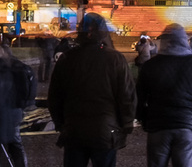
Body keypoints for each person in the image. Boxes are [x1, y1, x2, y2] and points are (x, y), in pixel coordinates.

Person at [47, 12, 136, 167]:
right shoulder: (115, 59)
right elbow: (126, 95)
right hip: (105, 129)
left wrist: (61, 123)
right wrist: (127, 123)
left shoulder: (67, 59)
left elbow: (55, 96)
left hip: (74, 129)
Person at [135, 24, 192, 167]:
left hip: (158, 124)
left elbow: (139, 97)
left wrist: (143, 118)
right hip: (186, 125)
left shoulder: (150, 66)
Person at [0, 41, 37, 167]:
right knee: (13, 143)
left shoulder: (1, 68)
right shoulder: (17, 66)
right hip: (14, 111)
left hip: (4, 112)